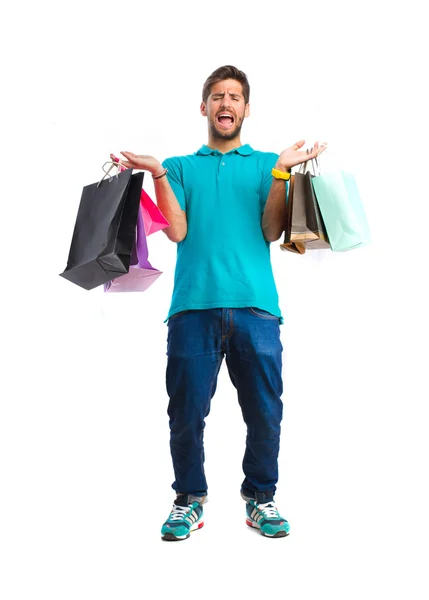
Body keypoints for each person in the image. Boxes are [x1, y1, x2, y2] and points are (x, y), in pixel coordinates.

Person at [111, 65, 326, 541]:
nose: (225, 103)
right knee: (185, 413)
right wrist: (158, 173)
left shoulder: (269, 162)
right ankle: (189, 499)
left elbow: (271, 231)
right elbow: (179, 231)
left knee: (266, 413)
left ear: (246, 109)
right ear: (203, 106)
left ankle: (260, 498)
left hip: (257, 308)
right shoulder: (182, 167)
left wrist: (282, 171)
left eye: (234, 96)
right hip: (193, 307)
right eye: (217, 96)